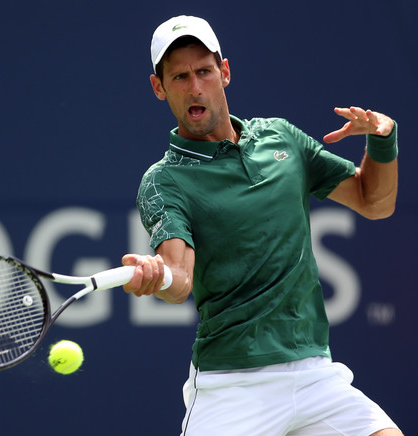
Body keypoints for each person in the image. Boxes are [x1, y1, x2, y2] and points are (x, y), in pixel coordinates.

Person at [122, 15, 402, 436]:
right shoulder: (164, 181)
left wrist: (382, 140)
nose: (195, 87)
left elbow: (374, 202)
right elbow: (180, 278)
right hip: (231, 386)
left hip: (315, 373)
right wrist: (158, 276)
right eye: (179, 77)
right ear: (159, 88)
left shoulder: (282, 139)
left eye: (204, 71)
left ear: (225, 72)